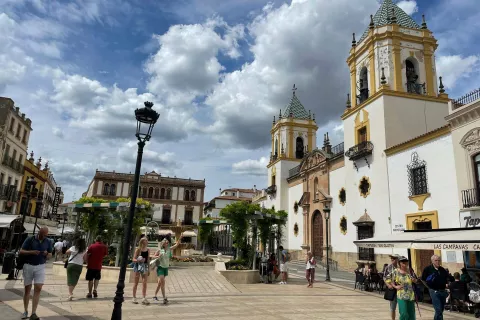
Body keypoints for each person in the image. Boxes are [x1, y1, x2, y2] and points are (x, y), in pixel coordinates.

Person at [19, 227, 52, 320]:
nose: (44, 237)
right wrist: (31, 252)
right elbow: (21, 251)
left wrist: (47, 254)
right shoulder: (30, 239)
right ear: (39, 233)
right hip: (28, 265)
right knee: (27, 289)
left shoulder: (48, 241)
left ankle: (33, 313)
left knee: (38, 288)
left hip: (40, 266)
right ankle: (25, 311)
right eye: (42, 235)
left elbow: (50, 254)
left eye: (45, 235)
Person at [153, 236, 182, 304]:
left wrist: (180, 238)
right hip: (160, 267)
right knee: (163, 282)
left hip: (165, 267)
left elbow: (177, 245)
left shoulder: (169, 249)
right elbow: (153, 257)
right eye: (166, 242)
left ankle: (155, 295)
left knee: (160, 283)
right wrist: (158, 256)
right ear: (163, 243)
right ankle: (164, 298)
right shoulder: (160, 250)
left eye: (168, 242)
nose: (167, 243)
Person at [421, 254, 449, 320]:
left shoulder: (442, 270)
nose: (438, 262)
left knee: (441, 309)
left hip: (442, 291)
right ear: (432, 261)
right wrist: (429, 287)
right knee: (438, 309)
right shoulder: (428, 269)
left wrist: (447, 284)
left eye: (439, 260)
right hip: (434, 291)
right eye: (436, 260)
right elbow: (423, 279)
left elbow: (446, 279)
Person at [132, 237, 150, 305]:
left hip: (145, 267)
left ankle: (144, 297)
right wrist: (138, 260)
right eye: (145, 240)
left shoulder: (148, 250)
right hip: (138, 266)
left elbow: (148, 260)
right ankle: (134, 297)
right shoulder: (138, 249)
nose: (147, 241)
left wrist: (149, 269)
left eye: (147, 240)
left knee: (144, 283)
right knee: (136, 282)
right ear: (142, 242)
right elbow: (133, 259)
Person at [384, 254, 401, 320]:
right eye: (391, 258)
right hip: (393, 290)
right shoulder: (388, 267)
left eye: (393, 258)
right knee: (393, 307)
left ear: (397, 259)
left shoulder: (401, 267)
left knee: (402, 307)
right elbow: (385, 277)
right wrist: (388, 285)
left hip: (401, 290)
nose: (391, 259)